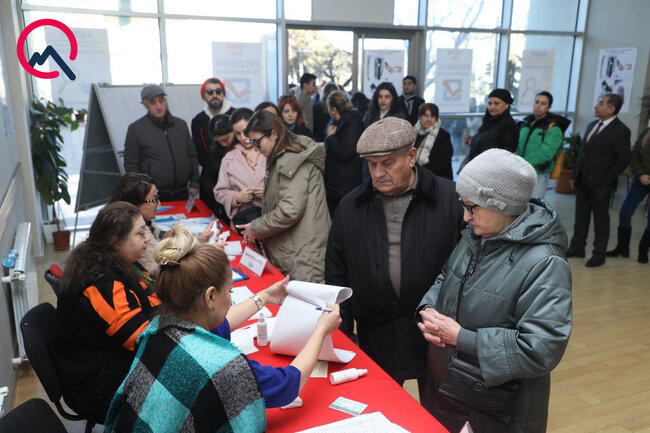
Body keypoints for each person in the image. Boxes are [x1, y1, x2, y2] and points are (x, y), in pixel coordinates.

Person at [105, 226, 342, 432]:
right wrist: (320, 331)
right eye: (229, 291)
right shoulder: (224, 366)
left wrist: (265, 296)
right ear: (210, 296)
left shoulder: (160, 328)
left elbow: (221, 325)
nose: (230, 299)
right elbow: (289, 383)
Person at [417, 149, 572, 433]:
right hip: (448, 390)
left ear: (500, 205)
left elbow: (541, 348)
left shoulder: (546, 263)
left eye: (471, 207)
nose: (465, 217)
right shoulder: (478, 236)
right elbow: (446, 276)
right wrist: (428, 310)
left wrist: (460, 337)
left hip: (494, 410)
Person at [325, 117, 464, 391]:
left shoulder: (450, 199)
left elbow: (469, 269)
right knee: (380, 409)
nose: (378, 173)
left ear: (411, 157)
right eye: (371, 164)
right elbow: (336, 274)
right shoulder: (350, 207)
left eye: (387, 163)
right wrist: (341, 334)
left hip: (436, 333)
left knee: (440, 416)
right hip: (375, 332)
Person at [53, 201, 160, 423]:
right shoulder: (99, 281)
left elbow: (152, 298)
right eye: (140, 234)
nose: (148, 239)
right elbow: (142, 339)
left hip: (110, 362)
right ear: (114, 241)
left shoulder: (118, 260)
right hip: (99, 386)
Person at [238, 110, 330, 282]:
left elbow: (290, 210)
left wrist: (255, 228)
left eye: (257, 142)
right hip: (297, 249)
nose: (256, 149)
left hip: (303, 255)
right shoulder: (283, 157)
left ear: (273, 134)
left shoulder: (291, 160)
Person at [567, 93, 631, 267]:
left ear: (611, 109)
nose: (596, 106)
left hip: (601, 184)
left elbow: (623, 159)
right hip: (583, 180)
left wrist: (607, 179)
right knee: (581, 217)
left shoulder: (621, 130)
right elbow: (582, 154)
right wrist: (574, 175)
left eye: (600, 103)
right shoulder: (592, 125)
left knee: (601, 221)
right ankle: (577, 247)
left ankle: (599, 253)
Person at [109, 173, 216, 277]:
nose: (159, 203)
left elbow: (166, 242)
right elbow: (158, 268)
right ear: (135, 202)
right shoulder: (132, 232)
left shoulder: (143, 224)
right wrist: (201, 251)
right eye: (154, 199)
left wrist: (198, 240)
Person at [124, 84, 199, 201]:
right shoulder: (136, 129)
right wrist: (143, 190)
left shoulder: (181, 125)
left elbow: (192, 156)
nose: (159, 106)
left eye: (161, 100)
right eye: (153, 102)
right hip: (154, 195)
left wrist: (194, 183)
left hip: (184, 193)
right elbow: (131, 165)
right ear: (144, 104)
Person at [214, 108, 266, 227]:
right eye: (238, 133)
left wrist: (269, 193)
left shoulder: (269, 151)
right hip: (244, 221)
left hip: (272, 219)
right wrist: (236, 197)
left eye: (246, 131)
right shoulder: (229, 158)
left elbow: (288, 188)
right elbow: (220, 191)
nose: (243, 137)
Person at [607, 126, 650, 262]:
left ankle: (643, 249)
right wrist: (641, 174)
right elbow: (635, 153)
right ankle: (622, 247)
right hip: (640, 180)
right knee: (625, 212)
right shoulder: (646, 131)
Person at [517, 91, 571, 199]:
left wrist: (523, 163)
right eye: (537, 102)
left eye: (543, 103)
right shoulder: (526, 124)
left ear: (549, 107)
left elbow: (547, 153)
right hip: (521, 172)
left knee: (534, 207)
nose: (538, 106)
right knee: (519, 206)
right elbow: (518, 147)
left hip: (539, 174)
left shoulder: (553, 128)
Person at [191, 78, 235, 203]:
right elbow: (197, 150)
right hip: (211, 175)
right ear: (203, 96)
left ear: (224, 94)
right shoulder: (198, 120)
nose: (214, 95)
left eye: (218, 91)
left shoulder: (235, 115)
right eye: (210, 92)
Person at [323, 90, 364, 216]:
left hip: (344, 185)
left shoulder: (352, 123)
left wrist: (331, 138)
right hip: (338, 184)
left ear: (333, 109)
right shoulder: (338, 122)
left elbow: (346, 152)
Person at [463, 88, 519, 163]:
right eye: (489, 103)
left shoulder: (509, 126)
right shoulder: (489, 121)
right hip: (479, 167)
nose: (492, 107)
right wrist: (475, 141)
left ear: (506, 105)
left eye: (496, 103)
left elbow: (505, 155)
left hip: (490, 171)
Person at [198, 114, 235, 222]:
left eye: (227, 138)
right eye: (219, 141)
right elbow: (207, 179)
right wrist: (218, 196)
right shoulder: (213, 152)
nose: (224, 144)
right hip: (222, 202)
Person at [413, 103, 453, 180]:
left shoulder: (443, 136)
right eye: (426, 116)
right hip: (416, 176)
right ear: (420, 117)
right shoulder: (414, 132)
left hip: (436, 179)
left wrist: (420, 173)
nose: (429, 119)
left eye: (432, 116)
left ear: (436, 119)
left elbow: (441, 163)